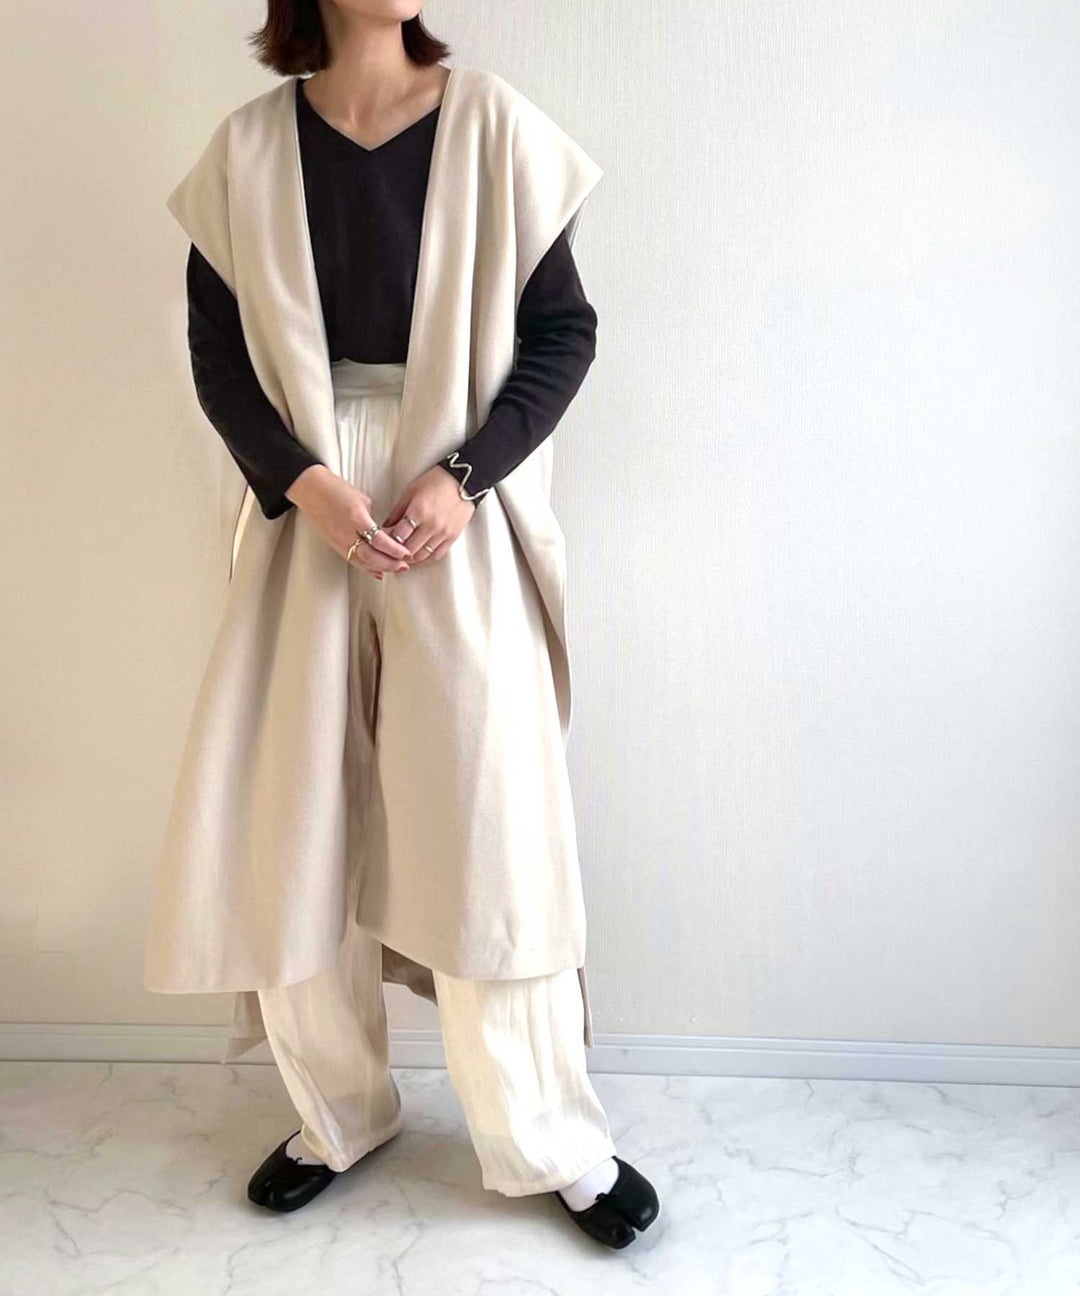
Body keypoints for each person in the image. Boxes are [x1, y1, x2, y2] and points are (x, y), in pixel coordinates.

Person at [154, 1, 660, 1250]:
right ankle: (338, 1114)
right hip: (308, 508)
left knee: (491, 822)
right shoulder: (247, 151)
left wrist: (464, 476)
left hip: (456, 509)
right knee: (296, 816)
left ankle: (548, 1137)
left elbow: (563, 333)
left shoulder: (496, 129)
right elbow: (219, 359)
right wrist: (303, 481)